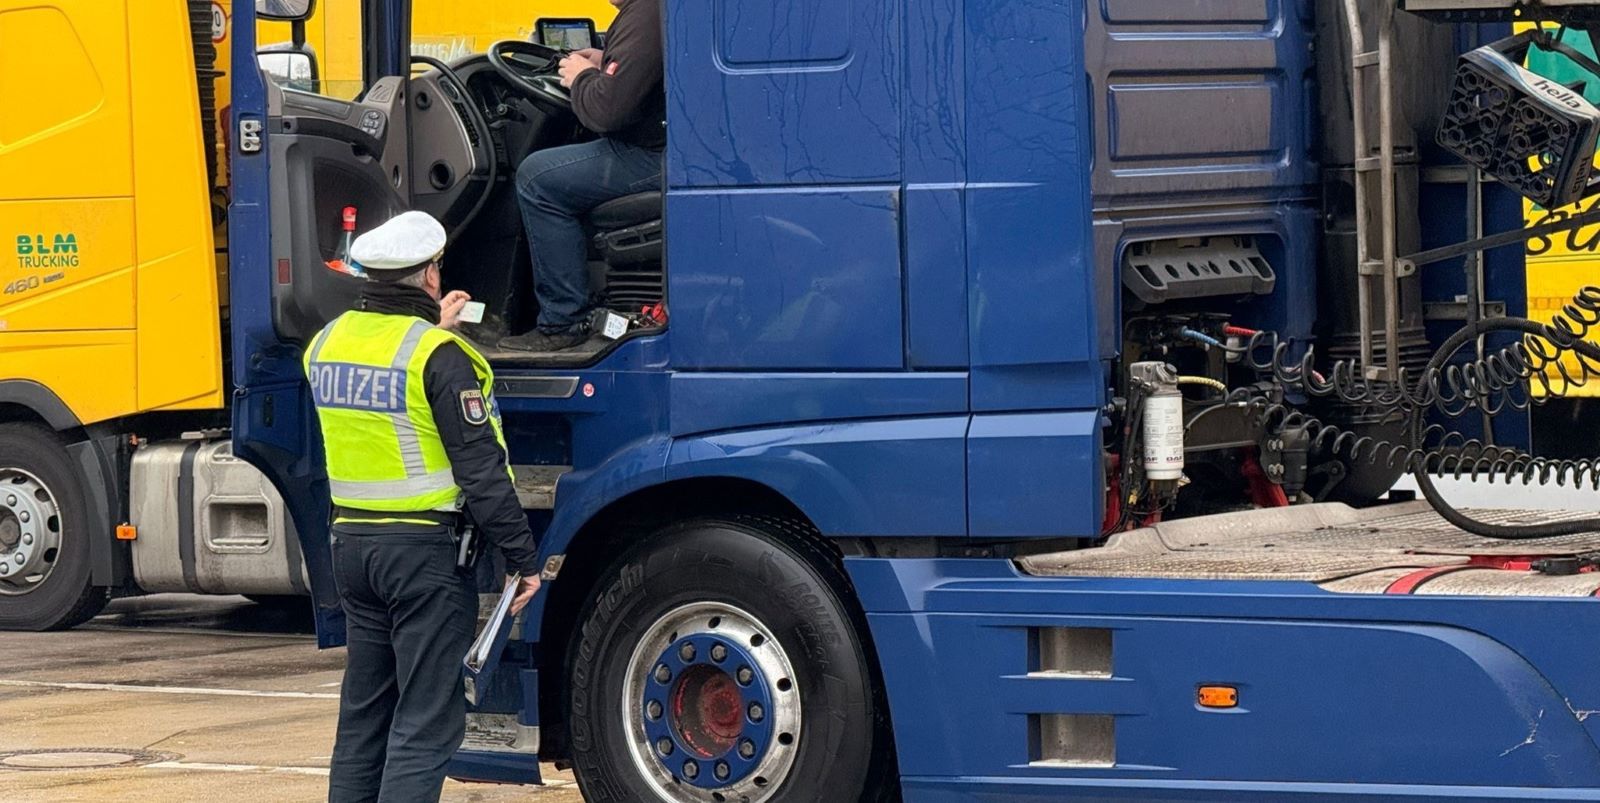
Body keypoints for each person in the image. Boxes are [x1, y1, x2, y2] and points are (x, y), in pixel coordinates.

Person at [303, 210, 544, 803]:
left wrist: (430, 327)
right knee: (425, 723)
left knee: (364, 718)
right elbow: (481, 469)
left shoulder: (325, 343)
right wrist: (523, 559)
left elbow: (382, 400)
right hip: (424, 559)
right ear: (431, 275)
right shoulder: (437, 355)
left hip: (352, 551)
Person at [501, 0, 665, 352]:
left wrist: (582, 77)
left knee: (536, 179)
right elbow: (638, 72)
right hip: (668, 149)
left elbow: (605, 111)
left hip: (652, 156)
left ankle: (564, 320)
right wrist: (604, 62)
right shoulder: (653, 11)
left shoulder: (647, 12)